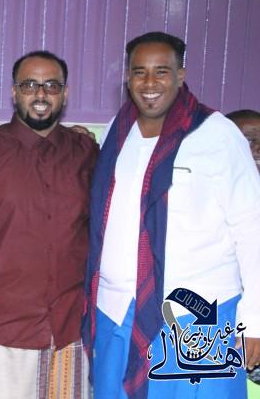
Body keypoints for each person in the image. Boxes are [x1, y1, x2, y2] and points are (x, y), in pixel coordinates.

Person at [82, 31, 260, 398]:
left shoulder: (218, 134)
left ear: (181, 75)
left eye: (161, 71)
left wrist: (255, 321)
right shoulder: (118, 131)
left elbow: (252, 229)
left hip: (199, 317)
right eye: (139, 72)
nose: (149, 83)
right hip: (117, 311)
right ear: (127, 78)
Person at [0, 50, 97, 399]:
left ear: (65, 94)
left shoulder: (85, 154)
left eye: (51, 86)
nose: (40, 94)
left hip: (67, 331)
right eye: (29, 85)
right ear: (14, 92)